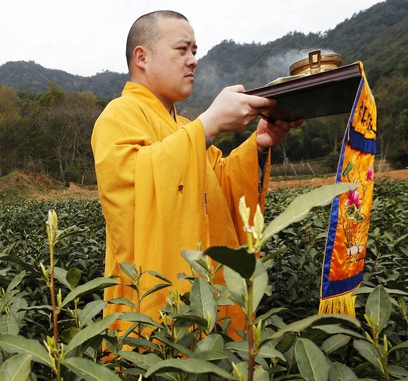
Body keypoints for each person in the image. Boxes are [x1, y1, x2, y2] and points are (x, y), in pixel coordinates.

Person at [91, 10, 300, 336]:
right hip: (153, 308)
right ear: (142, 57)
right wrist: (208, 125)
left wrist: (258, 146)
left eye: (194, 51)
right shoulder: (118, 115)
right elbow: (132, 190)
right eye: (182, 49)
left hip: (209, 295)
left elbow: (222, 186)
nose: (193, 60)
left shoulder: (185, 128)